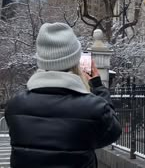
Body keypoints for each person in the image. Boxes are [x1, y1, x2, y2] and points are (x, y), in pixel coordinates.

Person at [5, 22, 122, 168]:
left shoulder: (15, 106)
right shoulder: (93, 108)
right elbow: (112, 132)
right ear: (75, 61)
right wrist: (98, 85)